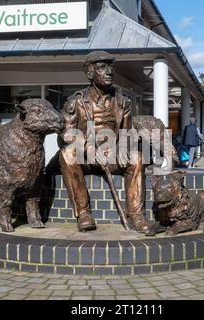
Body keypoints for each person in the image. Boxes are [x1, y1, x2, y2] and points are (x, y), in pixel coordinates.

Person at [59, 51, 153, 235]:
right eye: (102, 67)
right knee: (67, 153)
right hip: (84, 156)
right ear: (89, 73)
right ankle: (84, 214)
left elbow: (126, 132)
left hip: (111, 154)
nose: (109, 72)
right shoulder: (75, 101)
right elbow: (67, 133)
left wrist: (125, 147)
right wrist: (88, 147)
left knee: (137, 157)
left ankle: (136, 215)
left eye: (111, 67)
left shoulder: (123, 103)